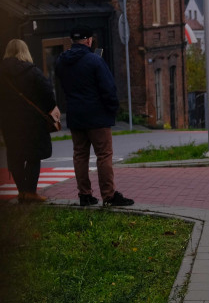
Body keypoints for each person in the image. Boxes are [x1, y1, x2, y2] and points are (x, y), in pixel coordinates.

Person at [55, 26, 133, 207]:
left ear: (72, 41)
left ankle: (85, 194)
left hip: (75, 115)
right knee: (104, 155)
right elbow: (109, 89)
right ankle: (109, 195)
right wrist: (112, 109)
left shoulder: (61, 61)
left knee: (80, 155)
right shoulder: (95, 61)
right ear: (89, 41)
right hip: (97, 116)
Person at [0, 39, 58, 203]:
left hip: (9, 122)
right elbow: (48, 92)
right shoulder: (32, 71)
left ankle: (21, 191)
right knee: (34, 155)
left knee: (15, 156)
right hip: (32, 122)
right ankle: (30, 191)